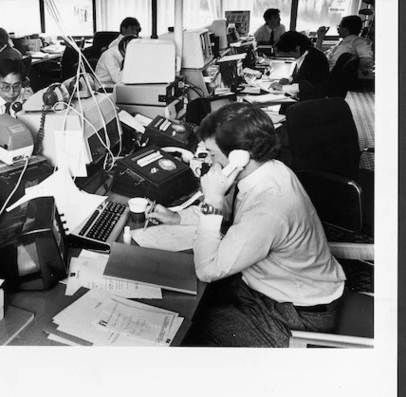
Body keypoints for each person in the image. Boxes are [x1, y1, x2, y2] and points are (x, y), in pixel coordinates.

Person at [147, 102, 345, 347]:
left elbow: (207, 270)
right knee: (181, 293)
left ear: (238, 156)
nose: (208, 160)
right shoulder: (269, 170)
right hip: (269, 286)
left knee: (184, 325)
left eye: (211, 153)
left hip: (295, 314)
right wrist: (179, 218)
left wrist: (212, 198)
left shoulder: (269, 206)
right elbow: (228, 216)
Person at [269, 31, 329, 100]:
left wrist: (282, 87)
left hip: (313, 99)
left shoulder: (315, 59)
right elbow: (301, 74)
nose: (291, 57)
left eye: (289, 54)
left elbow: (308, 86)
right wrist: (289, 80)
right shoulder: (306, 54)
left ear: (297, 48)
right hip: (306, 95)